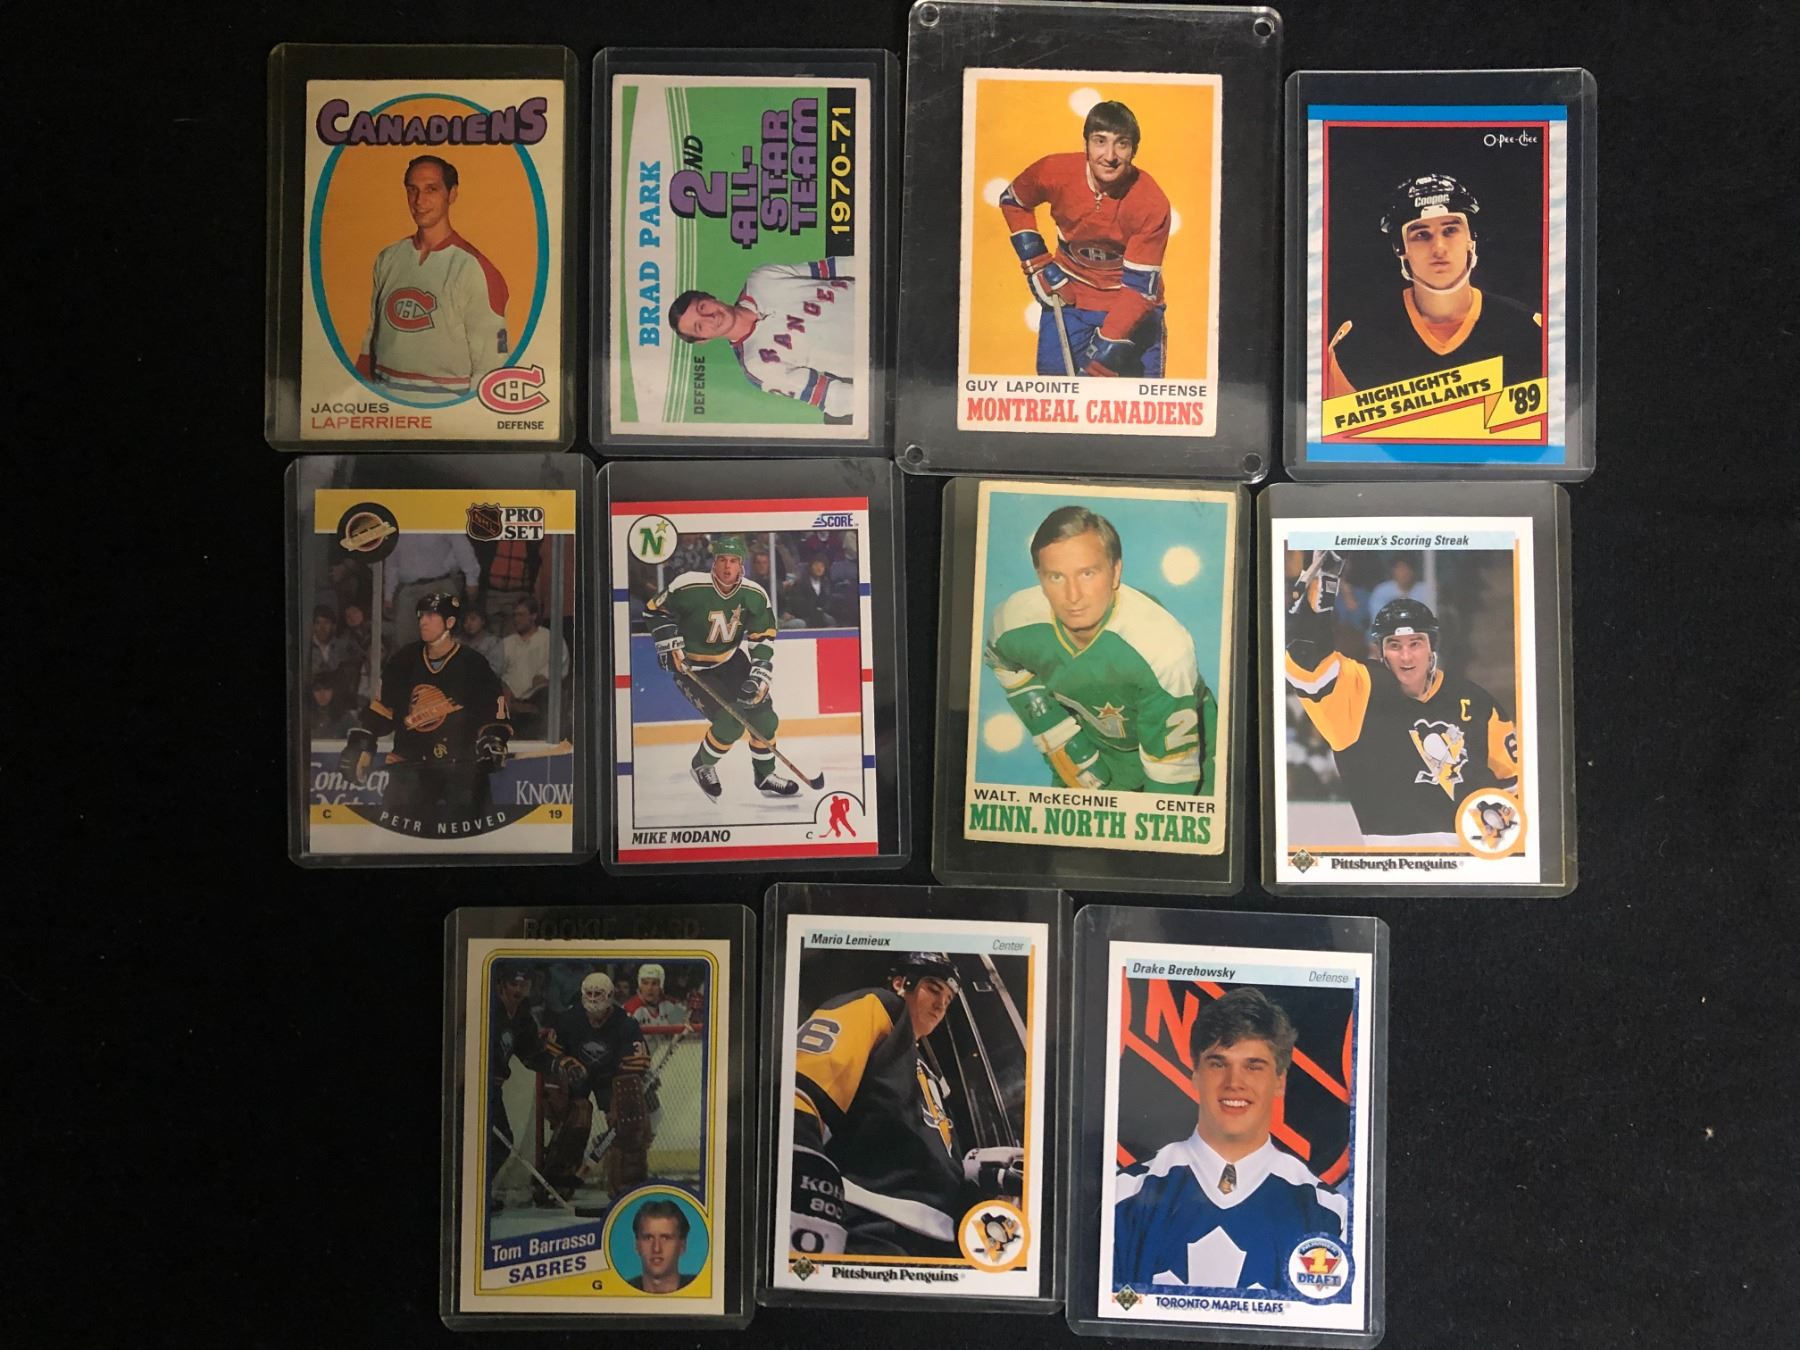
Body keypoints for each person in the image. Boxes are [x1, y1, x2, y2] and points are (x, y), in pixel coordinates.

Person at [1112, 987, 1346, 1293]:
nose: (1234, 1083)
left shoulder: (1328, 1213)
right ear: (1195, 1075)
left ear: (1280, 1081)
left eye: (1253, 1066)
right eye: (1218, 1064)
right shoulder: (1124, 1195)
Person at [789, 953, 1023, 1258]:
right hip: (874, 1222)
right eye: (934, 989)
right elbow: (806, 1082)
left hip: (939, 1237)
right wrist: (800, 1157)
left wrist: (973, 1170)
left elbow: (922, 1149)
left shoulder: (930, 1074)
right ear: (901, 983)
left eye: (948, 999)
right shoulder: (881, 1005)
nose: (941, 1005)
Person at [1285, 550, 1519, 844]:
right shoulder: (1360, 691)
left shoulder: (1476, 701)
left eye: (1416, 643)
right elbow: (1308, 666)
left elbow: (1513, 788)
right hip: (1392, 862)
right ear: (1381, 651)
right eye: (1394, 645)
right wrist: (1314, 614)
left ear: (1432, 647)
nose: (1406, 656)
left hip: (1472, 858)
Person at [985, 506, 1215, 795]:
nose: (1073, 596)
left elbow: (1172, 778)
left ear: (1115, 572)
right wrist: (1057, 734)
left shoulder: (1162, 646)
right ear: (1040, 578)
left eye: (1087, 573)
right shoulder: (1014, 620)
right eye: (1056, 577)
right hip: (1101, 748)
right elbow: (1002, 660)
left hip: (1188, 751)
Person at [1327, 173, 1543, 396]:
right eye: (1422, 234)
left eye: (1450, 230)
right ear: (1400, 248)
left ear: (1471, 238)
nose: (1439, 248)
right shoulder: (1357, 345)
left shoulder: (1530, 333)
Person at [999, 100, 1170, 377]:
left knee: (1137, 402)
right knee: (1054, 397)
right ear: (1086, 144)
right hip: (1070, 297)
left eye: (1122, 144)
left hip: (1132, 308)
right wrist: (1036, 262)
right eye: (1100, 141)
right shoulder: (1054, 171)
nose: (1110, 155)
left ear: (1134, 150)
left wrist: (1102, 356)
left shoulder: (1151, 201)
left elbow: (1139, 290)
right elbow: (1013, 200)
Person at [643, 534, 799, 801]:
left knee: (765, 719)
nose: (728, 566)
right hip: (691, 668)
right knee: (731, 722)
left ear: (742, 565)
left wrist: (760, 672)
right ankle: (702, 765)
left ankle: (764, 776)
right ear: (713, 563)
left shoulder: (754, 594)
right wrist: (668, 642)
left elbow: (762, 636)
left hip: (731, 661)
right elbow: (654, 611)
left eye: (734, 561)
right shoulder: (688, 585)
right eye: (722, 560)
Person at [339, 593, 512, 824]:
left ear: (450, 622)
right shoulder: (404, 660)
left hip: (461, 770)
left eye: (431, 616)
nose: (423, 621)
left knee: (469, 836)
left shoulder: (473, 664)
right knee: (399, 836)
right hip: (409, 768)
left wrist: (493, 739)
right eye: (421, 615)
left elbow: (493, 712)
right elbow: (384, 708)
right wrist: (364, 742)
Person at [355, 154, 510, 400]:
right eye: (412, 190)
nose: (419, 201)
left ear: (452, 194)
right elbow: (370, 340)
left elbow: (492, 365)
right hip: (387, 405)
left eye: (431, 189)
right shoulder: (388, 258)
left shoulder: (474, 268)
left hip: (446, 405)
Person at [667, 258, 858, 421]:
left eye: (702, 307)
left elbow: (840, 266)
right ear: (703, 340)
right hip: (870, 350)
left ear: (710, 297)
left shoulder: (761, 279)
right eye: (699, 327)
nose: (710, 318)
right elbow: (833, 397)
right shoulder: (757, 366)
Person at [539, 972, 653, 1197]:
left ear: (610, 996)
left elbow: (638, 1063)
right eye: (589, 994)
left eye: (598, 994)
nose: (593, 1000)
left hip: (611, 1078)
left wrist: (621, 1101)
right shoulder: (569, 1019)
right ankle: (558, 1180)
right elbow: (550, 1055)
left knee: (628, 1119)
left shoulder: (625, 1022)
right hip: (578, 1075)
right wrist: (564, 1063)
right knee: (577, 1115)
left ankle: (626, 1186)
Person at [486, 965, 553, 1209]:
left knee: (501, 1143)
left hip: (494, 1091)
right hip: (473, 1090)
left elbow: (530, 1053)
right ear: (501, 985)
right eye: (513, 983)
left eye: (523, 984)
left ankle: (479, 1192)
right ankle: (470, 1194)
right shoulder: (489, 1010)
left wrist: (556, 1065)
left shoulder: (522, 1015)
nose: (518, 989)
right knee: (483, 1142)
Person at [500, 596, 552, 738]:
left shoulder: (548, 638)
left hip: (538, 696)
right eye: (515, 615)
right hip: (511, 698)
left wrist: (543, 677)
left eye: (521, 615)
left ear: (533, 616)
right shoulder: (507, 643)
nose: (517, 619)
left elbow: (558, 665)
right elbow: (498, 672)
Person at [627, 1201, 697, 1293]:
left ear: (682, 1245)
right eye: (648, 1238)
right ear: (637, 1245)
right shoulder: (621, 1291)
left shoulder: (701, 1287)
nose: (656, 1249)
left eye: (665, 1238)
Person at [624, 963, 701, 1028]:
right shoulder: (629, 1009)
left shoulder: (670, 1004)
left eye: (654, 983)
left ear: (661, 986)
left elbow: (686, 1032)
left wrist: (691, 1013)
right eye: (645, 983)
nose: (649, 988)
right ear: (640, 986)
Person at [459, 605, 504, 676]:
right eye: (465, 621)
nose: (469, 624)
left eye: (473, 619)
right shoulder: (459, 642)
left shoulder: (494, 643)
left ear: (483, 621)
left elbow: (495, 670)